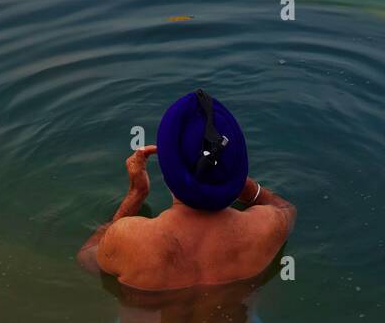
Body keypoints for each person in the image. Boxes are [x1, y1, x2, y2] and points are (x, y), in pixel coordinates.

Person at [78, 89, 295, 291]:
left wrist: (136, 194)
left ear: (167, 166)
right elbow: (286, 208)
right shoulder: (265, 226)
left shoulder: (128, 238)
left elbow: (88, 259)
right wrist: (238, 182)